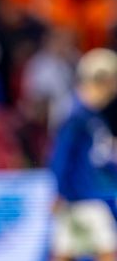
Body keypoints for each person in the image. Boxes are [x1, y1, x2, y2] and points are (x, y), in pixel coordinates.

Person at [49, 48, 117, 261]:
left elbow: (97, 157)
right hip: (87, 196)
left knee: (64, 253)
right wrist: (59, 190)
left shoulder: (92, 116)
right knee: (107, 252)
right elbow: (60, 155)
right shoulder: (77, 115)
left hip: (78, 197)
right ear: (104, 81)